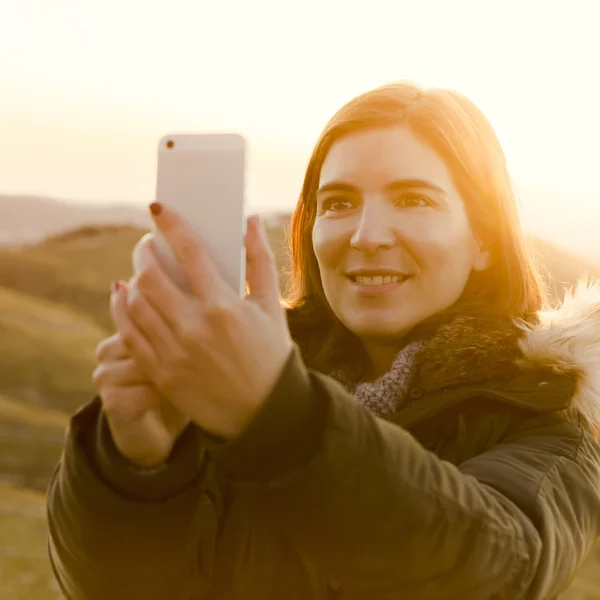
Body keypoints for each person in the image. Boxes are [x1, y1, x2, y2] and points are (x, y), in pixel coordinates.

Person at [46, 82, 600, 600]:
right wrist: (134, 466)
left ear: (483, 239)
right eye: (338, 203)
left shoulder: (548, 411)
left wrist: (277, 414)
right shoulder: (228, 388)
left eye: (413, 200)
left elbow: (494, 569)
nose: (366, 236)